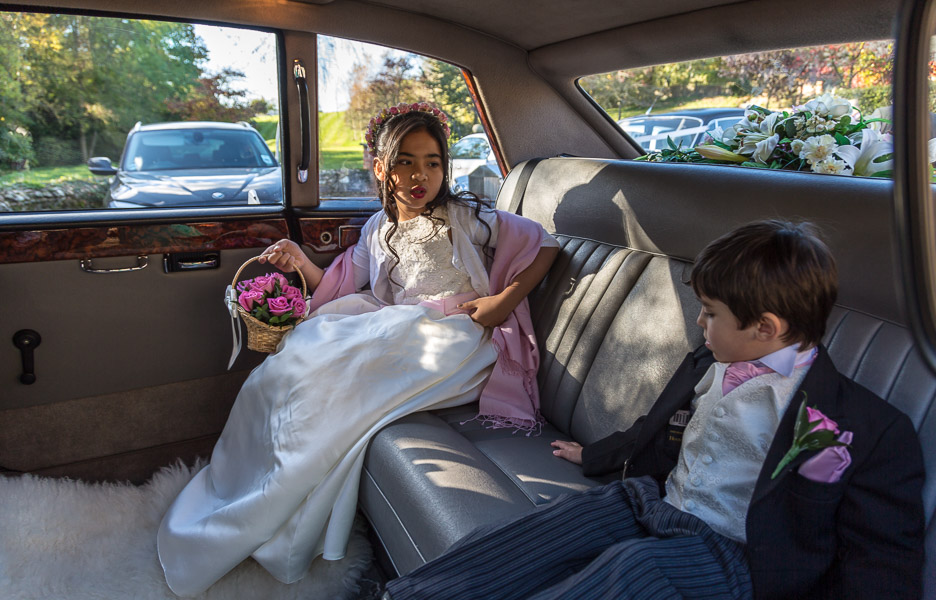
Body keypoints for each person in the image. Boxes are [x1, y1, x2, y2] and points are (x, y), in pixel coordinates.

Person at [383, 220, 925, 600]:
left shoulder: (862, 429)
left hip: (733, 555)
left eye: (710, 314)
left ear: (766, 328)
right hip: (658, 502)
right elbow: (662, 428)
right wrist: (596, 453)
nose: (699, 324)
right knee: (540, 535)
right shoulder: (710, 359)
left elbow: (881, 559)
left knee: (630, 570)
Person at [156, 102, 560, 596]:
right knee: (299, 352)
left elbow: (544, 245)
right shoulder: (377, 228)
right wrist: (300, 260)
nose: (421, 175)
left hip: (455, 331)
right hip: (398, 322)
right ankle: (248, 485)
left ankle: (281, 502)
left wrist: (502, 300)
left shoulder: (465, 215)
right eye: (406, 162)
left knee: (344, 366)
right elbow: (339, 285)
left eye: (433, 162)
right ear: (382, 169)